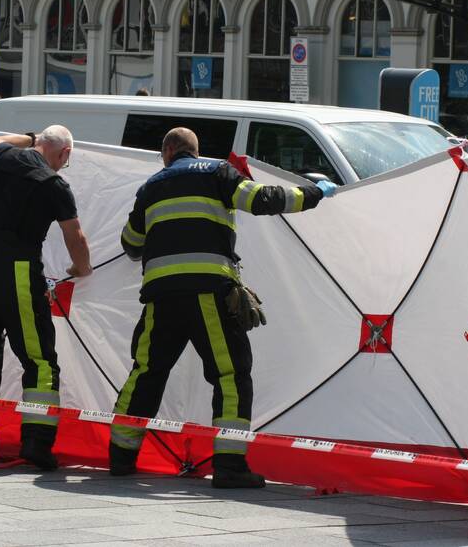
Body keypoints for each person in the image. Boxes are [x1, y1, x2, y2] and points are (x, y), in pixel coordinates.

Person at [109, 127, 337, 488]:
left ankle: (120, 457)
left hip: (161, 297)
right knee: (230, 375)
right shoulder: (217, 172)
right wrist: (313, 193)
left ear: (167, 152)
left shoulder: (150, 187)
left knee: (147, 371)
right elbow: (262, 199)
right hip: (208, 293)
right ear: (195, 151)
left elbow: (131, 243)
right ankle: (230, 465)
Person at [0, 125, 92, 472]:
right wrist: (82, 268)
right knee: (39, 359)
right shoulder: (54, 184)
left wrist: (31, 139)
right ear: (64, 153)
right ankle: (36, 443)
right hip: (18, 271)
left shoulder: (5, 159)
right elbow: (75, 236)